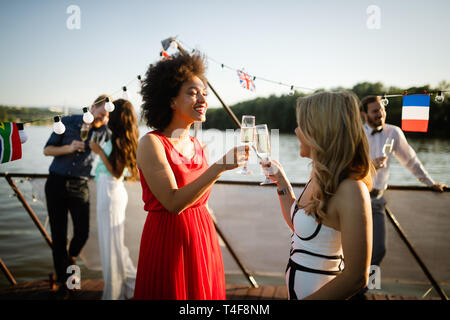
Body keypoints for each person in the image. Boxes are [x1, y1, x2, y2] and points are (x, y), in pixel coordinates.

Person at [133, 53, 249, 300]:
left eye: (204, 92)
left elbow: (199, 197)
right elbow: (173, 203)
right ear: (171, 100)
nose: (202, 98)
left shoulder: (198, 145)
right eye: (193, 92)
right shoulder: (151, 143)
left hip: (202, 236)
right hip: (167, 242)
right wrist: (219, 167)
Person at [262, 91, 374, 299]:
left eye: (302, 125)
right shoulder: (319, 176)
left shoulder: (351, 190)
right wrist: (282, 181)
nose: (296, 130)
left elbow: (357, 277)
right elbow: (300, 228)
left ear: (320, 132)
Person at [359, 95, 447, 268]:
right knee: (354, 249)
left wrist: (430, 183)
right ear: (364, 114)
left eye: (382, 109)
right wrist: (370, 166)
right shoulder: (357, 134)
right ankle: (353, 291)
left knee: (378, 250)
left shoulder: (393, 132)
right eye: (375, 111)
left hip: (376, 200)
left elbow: (411, 161)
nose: (381, 114)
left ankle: (362, 289)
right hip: (356, 198)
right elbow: (346, 165)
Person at [43, 95, 110, 292]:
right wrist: (68, 148)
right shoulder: (66, 122)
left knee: (82, 232)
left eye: (106, 117)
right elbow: (47, 150)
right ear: (92, 108)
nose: (102, 119)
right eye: (101, 114)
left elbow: (116, 149)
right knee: (59, 236)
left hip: (80, 185)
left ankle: (71, 257)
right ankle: (65, 282)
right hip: (56, 182)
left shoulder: (104, 131)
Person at [89, 99, 139, 300]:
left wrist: (99, 151)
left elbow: (117, 173)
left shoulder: (119, 140)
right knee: (115, 245)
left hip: (110, 190)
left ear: (117, 116)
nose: (107, 115)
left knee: (111, 247)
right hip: (108, 190)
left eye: (111, 112)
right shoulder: (119, 137)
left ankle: (113, 295)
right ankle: (132, 288)